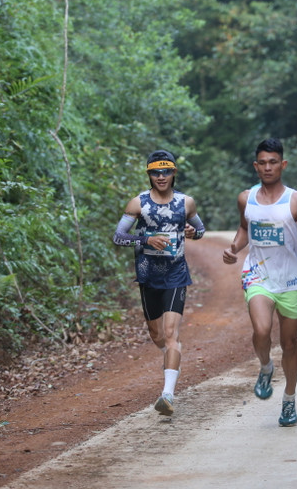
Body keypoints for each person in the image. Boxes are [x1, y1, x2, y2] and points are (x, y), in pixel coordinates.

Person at [222, 138, 297, 427]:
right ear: (256, 166)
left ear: (283, 164)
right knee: (262, 329)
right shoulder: (246, 198)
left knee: (289, 344)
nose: (268, 167)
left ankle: (289, 399)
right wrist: (233, 249)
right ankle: (266, 366)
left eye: (273, 162)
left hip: (290, 280)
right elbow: (245, 228)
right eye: (263, 163)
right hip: (258, 275)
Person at [112, 149, 205, 416]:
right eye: (155, 172)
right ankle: (171, 357)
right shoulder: (138, 203)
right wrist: (145, 240)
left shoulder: (186, 202)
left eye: (166, 171)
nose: (161, 176)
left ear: (174, 173)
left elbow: (200, 229)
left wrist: (192, 231)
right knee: (156, 335)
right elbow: (119, 236)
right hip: (147, 274)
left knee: (170, 334)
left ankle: (167, 394)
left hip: (176, 274)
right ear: (149, 174)